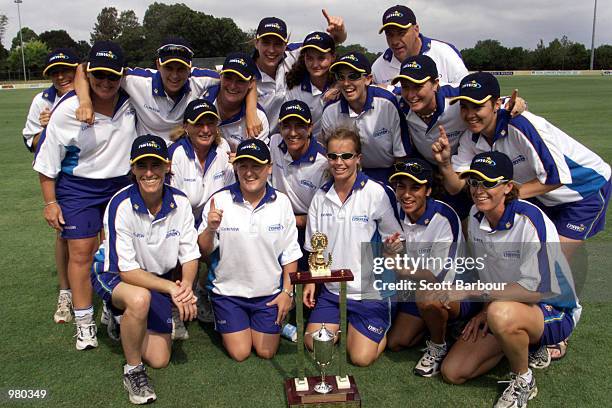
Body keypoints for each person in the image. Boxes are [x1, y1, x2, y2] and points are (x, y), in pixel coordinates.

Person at [439, 152, 581, 408]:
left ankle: (523, 379)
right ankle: (517, 342)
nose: (479, 190)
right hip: (503, 305)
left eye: (489, 183)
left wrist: (475, 294)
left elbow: (537, 291)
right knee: (453, 371)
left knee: (501, 313)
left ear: (508, 187)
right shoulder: (475, 216)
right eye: (474, 182)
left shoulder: (529, 220)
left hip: (553, 308)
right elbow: (489, 273)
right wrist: (484, 310)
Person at [434, 72, 611, 260]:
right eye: (464, 107)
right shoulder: (470, 138)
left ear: (496, 105)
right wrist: (444, 163)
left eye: (477, 106)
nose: (470, 115)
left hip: (585, 189)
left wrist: (504, 194)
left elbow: (558, 177)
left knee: (551, 263)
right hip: (542, 195)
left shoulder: (520, 126)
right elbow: (456, 187)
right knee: (528, 258)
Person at [34, 41, 135, 350]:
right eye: (98, 76)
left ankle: (112, 312)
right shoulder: (68, 110)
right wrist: (50, 203)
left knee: (115, 255)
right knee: (80, 251)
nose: (105, 83)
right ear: (89, 74)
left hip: (119, 184)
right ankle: (84, 322)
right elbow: (47, 162)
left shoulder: (131, 102)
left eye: (112, 77)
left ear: (121, 76)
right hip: (78, 188)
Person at [91, 135, 200, 405]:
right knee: (139, 299)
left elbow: (190, 255)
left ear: (167, 167)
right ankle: (133, 370)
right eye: (142, 166)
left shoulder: (181, 202)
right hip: (115, 274)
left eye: (155, 165)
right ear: (133, 169)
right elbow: (126, 271)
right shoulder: (121, 204)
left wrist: (185, 287)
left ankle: (122, 320)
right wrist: (173, 289)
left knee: (160, 359)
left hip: (156, 279)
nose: (149, 173)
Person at [303, 128, 402, 367]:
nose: (339, 162)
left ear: (358, 158)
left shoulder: (376, 193)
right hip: (333, 291)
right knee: (312, 343)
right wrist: (310, 282)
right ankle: (346, 324)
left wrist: (392, 248)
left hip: (370, 292)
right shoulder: (320, 196)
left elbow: (396, 240)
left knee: (360, 358)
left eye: (346, 156)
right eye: (333, 156)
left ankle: (370, 331)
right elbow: (317, 249)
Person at [198, 139, 302, 361]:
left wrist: (287, 293)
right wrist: (209, 228)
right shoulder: (219, 200)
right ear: (235, 168)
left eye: (256, 166)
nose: (249, 172)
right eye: (243, 166)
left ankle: (271, 323)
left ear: (269, 168)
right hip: (228, 294)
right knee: (241, 352)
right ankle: (229, 316)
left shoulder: (282, 203)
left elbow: (290, 254)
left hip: (268, 294)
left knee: (266, 352)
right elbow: (204, 252)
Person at [384, 158, 474, 378]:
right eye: (401, 186)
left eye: (415, 187)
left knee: (428, 296)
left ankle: (438, 344)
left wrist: (402, 269)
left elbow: (439, 275)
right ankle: (440, 324)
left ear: (429, 190)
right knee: (396, 342)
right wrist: (389, 251)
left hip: (457, 289)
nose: (406, 194)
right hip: (419, 288)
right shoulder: (395, 212)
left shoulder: (445, 217)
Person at [75, 37, 262, 144]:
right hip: (147, 158)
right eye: (168, 68)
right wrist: (85, 101)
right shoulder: (137, 81)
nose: (174, 75)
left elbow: (245, 78)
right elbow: (83, 68)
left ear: (190, 68)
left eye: (181, 69)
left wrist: (252, 111)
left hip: (183, 159)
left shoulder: (201, 79)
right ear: (158, 64)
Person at [23, 48, 79, 324]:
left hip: (88, 174)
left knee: (103, 235)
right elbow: (31, 144)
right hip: (58, 176)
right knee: (64, 234)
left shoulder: (86, 93)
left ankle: (104, 293)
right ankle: (65, 292)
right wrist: (48, 129)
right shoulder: (41, 100)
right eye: (54, 73)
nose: (60, 76)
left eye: (66, 70)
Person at [320, 52, 411, 183]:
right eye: (340, 77)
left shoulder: (387, 103)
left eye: (354, 76)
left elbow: (401, 156)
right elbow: (331, 157)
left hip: (388, 173)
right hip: (349, 175)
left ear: (368, 79)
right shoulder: (330, 110)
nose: (346, 83)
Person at [253, 11, 346, 133]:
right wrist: (251, 111)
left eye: (278, 44)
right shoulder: (246, 71)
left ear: (285, 45)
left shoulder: (293, 54)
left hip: (289, 137)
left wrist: (340, 34)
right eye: (265, 43)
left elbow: (323, 47)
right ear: (256, 43)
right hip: (259, 138)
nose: (271, 50)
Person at [269, 100, 328, 271]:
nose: (293, 133)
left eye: (299, 126)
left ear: (310, 128)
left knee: (309, 285)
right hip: (278, 223)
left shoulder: (323, 163)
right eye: (287, 126)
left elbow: (324, 216)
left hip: (308, 227)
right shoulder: (274, 143)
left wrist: (293, 220)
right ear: (280, 127)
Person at [372, 5, 468, 85]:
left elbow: (469, 92)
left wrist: (393, 91)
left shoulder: (446, 54)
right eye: (390, 34)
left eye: (401, 33)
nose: (395, 41)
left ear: (416, 29)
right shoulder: (378, 67)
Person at [201, 52, 270, 151]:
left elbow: (257, 162)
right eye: (228, 78)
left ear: (251, 83)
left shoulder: (259, 119)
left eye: (240, 80)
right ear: (221, 77)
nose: (233, 86)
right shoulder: (202, 98)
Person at [285, 31, 336, 140]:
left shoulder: (343, 82)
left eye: (321, 58)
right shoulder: (294, 90)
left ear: (333, 57)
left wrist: (339, 86)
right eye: (310, 58)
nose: (315, 64)